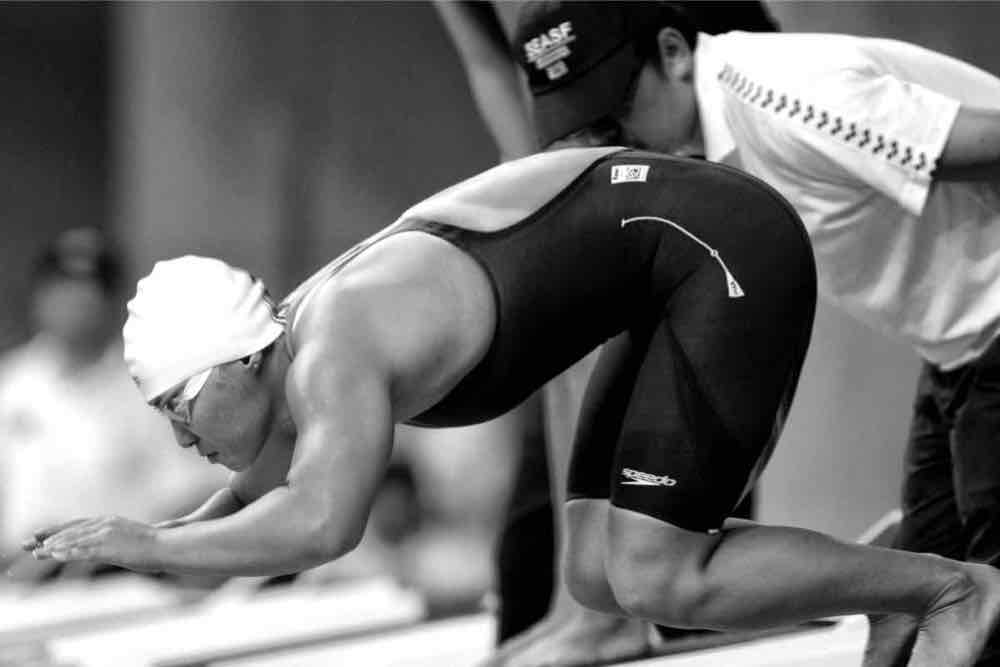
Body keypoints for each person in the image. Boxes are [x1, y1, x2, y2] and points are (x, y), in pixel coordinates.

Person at [22, 147, 1000, 666]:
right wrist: (132, 547)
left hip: (715, 248)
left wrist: (148, 543)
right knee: (594, 569)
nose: (179, 434)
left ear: (237, 365)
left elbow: (319, 525)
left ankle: (950, 587)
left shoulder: (335, 350)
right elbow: (250, 510)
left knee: (653, 572)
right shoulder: (295, 355)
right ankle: (880, 582)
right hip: (660, 269)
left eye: (179, 406)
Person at [507, 2, 1000, 665]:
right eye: (587, 122)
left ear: (674, 53)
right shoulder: (698, 152)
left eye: (615, 108)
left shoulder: (787, 96)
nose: (613, 137)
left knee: (984, 620)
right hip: (955, 354)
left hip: (990, 330)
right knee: (919, 617)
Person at [434, 3, 778, 663]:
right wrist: (530, 192)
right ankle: (584, 607)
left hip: (665, 75)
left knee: (660, 459)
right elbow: (492, 62)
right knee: (532, 561)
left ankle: (611, 612)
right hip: (585, 92)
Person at [0, 227, 224, 583]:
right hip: (16, 579)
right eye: (63, 288)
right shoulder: (10, 385)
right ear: (39, 296)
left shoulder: (149, 389)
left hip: (115, 581)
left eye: (90, 290)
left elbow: (193, 491)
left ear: (113, 302)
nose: (76, 303)